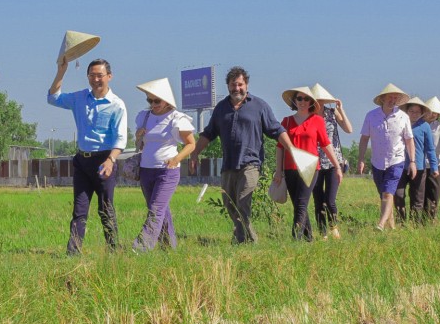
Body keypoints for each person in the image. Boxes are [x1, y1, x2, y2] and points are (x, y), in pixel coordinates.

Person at [190, 66, 293, 244]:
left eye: (240, 84)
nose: (236, 88)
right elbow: (208, 133)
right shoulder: (221, 108)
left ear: (246, 85)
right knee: (229, 204)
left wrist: (291, 148)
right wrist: (194, 154)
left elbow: (276, 129)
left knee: (243, 201)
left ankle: (249, 241)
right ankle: (240, 237)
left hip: (251, 163)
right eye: (233, 85)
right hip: (229, 164)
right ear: (228, 86)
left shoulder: (259, 106)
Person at [48, 57, 128, 255]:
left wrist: (110, 160)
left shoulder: (117, 105)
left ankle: (113, 251)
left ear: (109, 76)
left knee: (105, 208)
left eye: (100, 75)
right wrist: (61, 71)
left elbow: (120, 138)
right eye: (92, 75)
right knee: (79, 210)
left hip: (104, 161)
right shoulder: (79, 98)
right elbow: (53, 98)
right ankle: (73, 253)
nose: (96, 79)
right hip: (82, 161)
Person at [132, 78, 195, 252]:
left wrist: (176, 159)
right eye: (150, 101)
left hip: (167, 171)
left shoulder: (176, 118)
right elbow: (140, 145)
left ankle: (141, 247)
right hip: (146, 170)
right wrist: (138, 136)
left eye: (157, 101)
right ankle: (169, 247)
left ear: (166, 100)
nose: (153, 104)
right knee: (160, 209)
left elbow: (191, 144)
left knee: (156, 209)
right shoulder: (144, 117)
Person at [274, 86, 344, 241]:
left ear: (311, 102)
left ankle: (296, 239)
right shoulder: (286, 121)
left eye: (306, 99)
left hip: (310, 167)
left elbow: (326, 144)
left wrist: (337, 166)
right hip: (290, 168)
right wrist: (278, 170)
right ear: (294, 101)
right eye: (299, 98)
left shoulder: (317, 120)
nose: (302, 101)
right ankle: (308, 238)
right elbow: (279, 147)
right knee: (298, 205)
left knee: (301, 204)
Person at [357, 84, 416, 232]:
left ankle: (381, 224)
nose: (392, 100)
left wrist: (412, 161)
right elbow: (364, 139)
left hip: (396, 160)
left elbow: (409, 140)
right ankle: (392, 226)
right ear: (382, 99)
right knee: (384, 195)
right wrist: (361, 159)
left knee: (388, 193)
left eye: (395, 98)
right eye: (390, 97)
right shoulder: (371, 116)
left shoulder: (403, 117)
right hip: (377, 162)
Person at [311, 83, 353, 239]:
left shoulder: (332, 113)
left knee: (330, 199)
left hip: (333, 162)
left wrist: (341, 109)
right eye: (316, 99)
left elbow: (349, 129)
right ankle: (322, 233)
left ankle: (333, 227)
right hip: (314, 162)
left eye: (321, 99)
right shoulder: (307, 116)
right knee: (318, 199)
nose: (319, 102)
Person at [393, 97, 439, 225]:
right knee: (398, 195)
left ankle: (415, 224)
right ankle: (401, 222)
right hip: (400, 165)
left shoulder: (425, 126)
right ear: (407, 111)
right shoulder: (400, 123)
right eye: (411, 111)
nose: (414, 114)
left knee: (417, 198)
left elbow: (430, 148)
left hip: (419, 167)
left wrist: (434, 166)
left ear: (422, 113)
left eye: (417, 112)